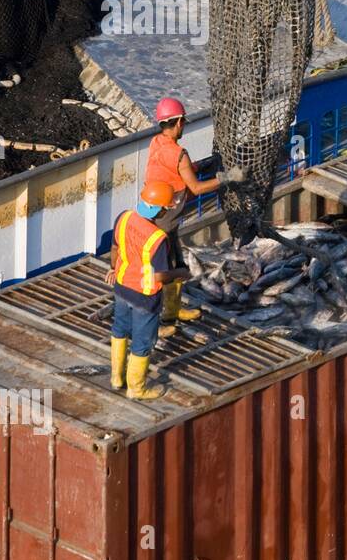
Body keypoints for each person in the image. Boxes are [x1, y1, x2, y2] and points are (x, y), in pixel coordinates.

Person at [145, 97, 246, 334]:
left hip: (157, 213)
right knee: (166, 269)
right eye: (183, 123)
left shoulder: (156, 142)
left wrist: (199, 166)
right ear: (179, 122)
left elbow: (169, 170)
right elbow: (197, 188)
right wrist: (227, 177)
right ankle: (164, 321)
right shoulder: (180, 153)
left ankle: (173, 311)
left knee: (177, 264)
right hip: (165, 219)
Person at [103, 181, 189, 400]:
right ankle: (136, 388)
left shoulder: (124, 218)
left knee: (120, 330)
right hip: (144, 297)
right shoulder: (158, 239)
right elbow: (159, 275)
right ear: (161, 208)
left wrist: (114, 268)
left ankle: (116, 378)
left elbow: (115, 249)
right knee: (142, 343)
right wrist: (180, 272)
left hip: (122, 288)